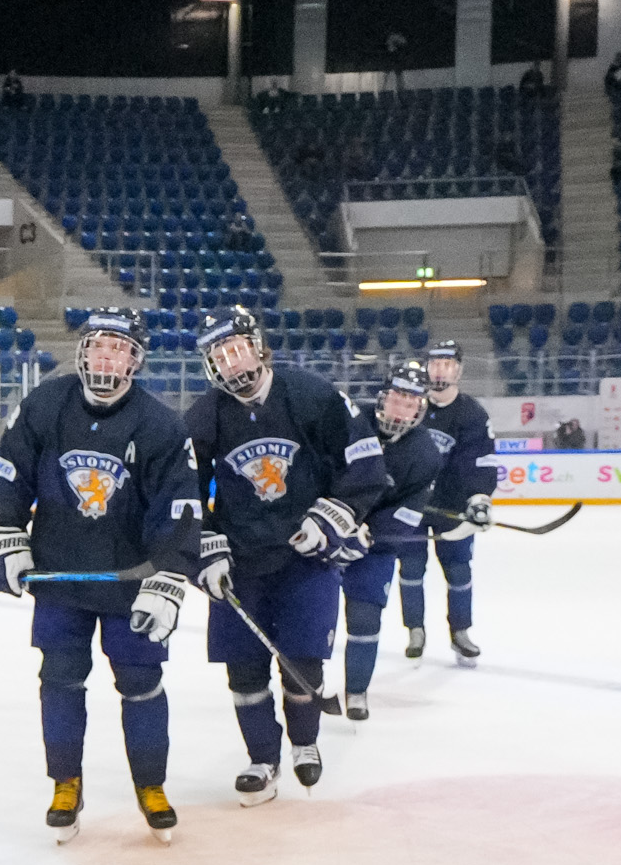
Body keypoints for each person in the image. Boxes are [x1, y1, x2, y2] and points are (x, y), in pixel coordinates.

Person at [0, 306, 203, 841]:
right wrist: (8, 534)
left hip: (131, 581)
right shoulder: (45, 403)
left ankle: (151, 785)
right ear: (83, 351)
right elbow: (12, 473)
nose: (107, 356)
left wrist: (169, 577)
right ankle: (66, 783)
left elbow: (177, 505)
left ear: (135, 359)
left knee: (142, 682)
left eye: (119, 349)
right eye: (99, 346)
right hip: (59, 577)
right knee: (59, 679)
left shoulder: (159, 423)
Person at [182, 304, 387, 800]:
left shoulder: (312, 395)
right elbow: (184, 490)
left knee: (304, 662)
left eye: (237, 349)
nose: (233, 363)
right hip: (241, 563)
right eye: (221, 356)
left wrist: (330, 519)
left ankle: (304, 742)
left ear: (257, 345)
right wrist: (205, 548)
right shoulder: (204, 414)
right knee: (244, 670)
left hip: (305, 560)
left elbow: (364, 466)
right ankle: (261, 758)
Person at [329, 363, 449, 722]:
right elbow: (320, 471)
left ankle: (356, 691)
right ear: (384, 397)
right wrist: (334, 522)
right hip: (327, 534)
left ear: (420, 408)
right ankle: (306, 688)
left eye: (410, 403)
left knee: (364, 617)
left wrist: (370, 534)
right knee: (313, 617)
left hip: (373, 547)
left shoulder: (425, 453)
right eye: (396, 398)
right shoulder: (351, 422)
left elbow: (410, 512)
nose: (401, 409)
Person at [397, 337, 495, 665]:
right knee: (410, 569)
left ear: (459, 370)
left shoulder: (472, 413)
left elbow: (481, 461)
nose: (440, 370)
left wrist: (479, 499)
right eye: (435, 363)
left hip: (451, 507)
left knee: (458, 571)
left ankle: (461, 632)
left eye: (447, 364)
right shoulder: (411, 405)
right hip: (411, 505)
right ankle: (415, 630)